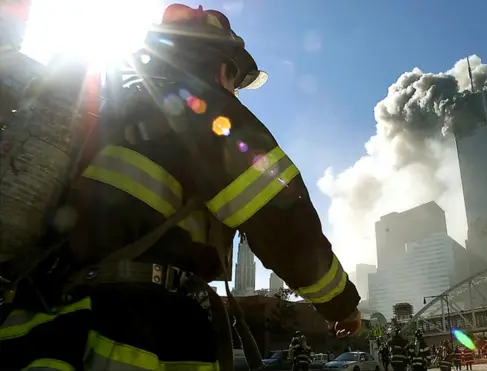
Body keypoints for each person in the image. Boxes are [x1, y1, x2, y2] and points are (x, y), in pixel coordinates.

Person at [0, 4, 361, 370]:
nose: (235, 92)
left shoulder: (109, 110)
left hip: (39, 330)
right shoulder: (205, 112)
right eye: (235, 81)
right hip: (134, 332)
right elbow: (281, 218)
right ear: (223, 66)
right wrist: (341, 304)